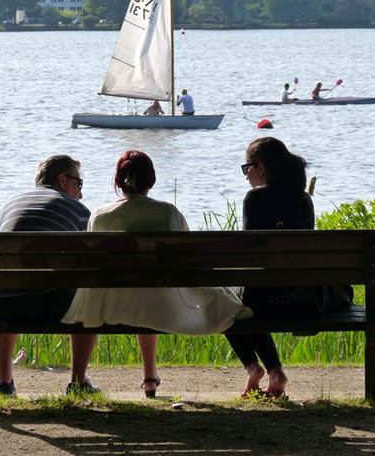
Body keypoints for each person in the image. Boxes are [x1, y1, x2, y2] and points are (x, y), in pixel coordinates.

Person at [61, 150, 247, 398]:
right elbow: (189, 261)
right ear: (151, 181)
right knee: (148, 290)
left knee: (136, 289)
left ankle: (79, 380)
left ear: (118, 181)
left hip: (110, 308)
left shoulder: (100, 215)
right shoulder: (168, 213)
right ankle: (149, 376)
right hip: (162, 305)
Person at [0, 154, 97, 396]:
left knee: (6, 283)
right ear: (63, 180)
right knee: (88, 295)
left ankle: (3, 381)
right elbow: (92, 262)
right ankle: (78, 381)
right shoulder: (76, 210)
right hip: (49, 303)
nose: (81, 193)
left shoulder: (10, 205)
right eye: (79, 184)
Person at [227, 137, 314, 397]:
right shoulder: (304, 200)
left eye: (247, 168)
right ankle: (275, 374)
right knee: (250, 298)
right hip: (298, 297)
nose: (246, 176)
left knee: (227, 301)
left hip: (266, 299)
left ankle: (257, 369)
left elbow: (249, 254)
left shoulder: (255, 198)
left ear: (261, 167)